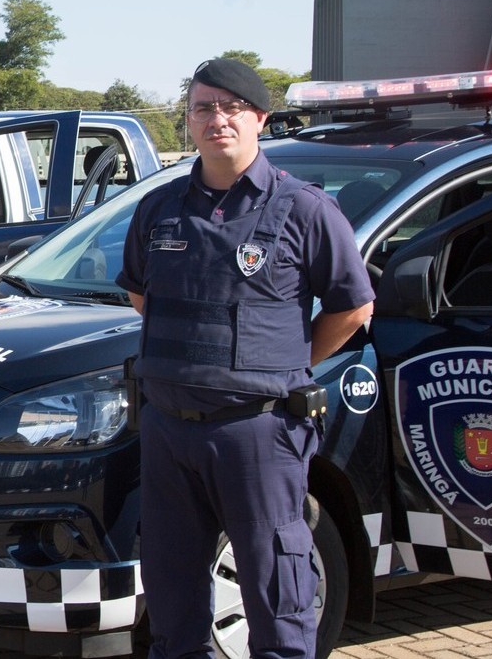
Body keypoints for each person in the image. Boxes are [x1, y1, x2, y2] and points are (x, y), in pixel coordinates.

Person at [115, 58, 375, 659]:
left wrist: (287, 362)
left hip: (257, 431)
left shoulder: (305, 209)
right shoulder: (158, 208)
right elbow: (140, 297)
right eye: (203, 107)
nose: (217, 120)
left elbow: (353, 308)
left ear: (259, 118)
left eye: (232, 108)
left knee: (275, 594)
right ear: (188, 120)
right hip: (168, 429)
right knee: (173, 603)